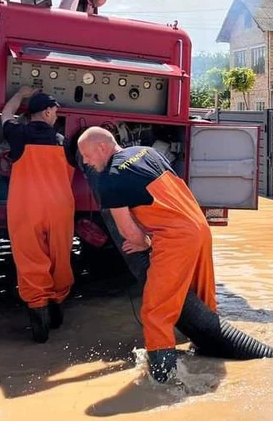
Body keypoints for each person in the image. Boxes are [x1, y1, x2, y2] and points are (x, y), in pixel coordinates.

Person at [76, 126, 218, 383]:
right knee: (201, 297)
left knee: (155, 311)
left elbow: (128, 232)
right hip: (200, 228)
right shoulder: (147, 152)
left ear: (101, 148)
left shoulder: (110, 177)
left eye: (86, 155)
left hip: (175, 239)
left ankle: (164, 382)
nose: (85, 161)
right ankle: (212, 354)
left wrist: (142, 244)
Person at [1, 86, 76, 343]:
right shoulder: (63, 142)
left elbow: (5, 114)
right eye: (55, 111)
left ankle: (40, 329)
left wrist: (20, 95)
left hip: (27, 208)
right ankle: (57, 314)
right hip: (60, 208)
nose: (56, 116)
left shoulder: (18, 134)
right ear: (45, 112)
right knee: (60, 259)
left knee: (31, 260)